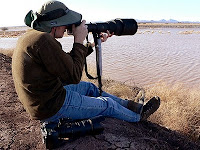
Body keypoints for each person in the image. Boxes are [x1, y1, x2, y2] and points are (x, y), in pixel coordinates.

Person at [12, 0, 160, 124]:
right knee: (107, 104)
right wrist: (78, 40)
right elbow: (74, 76)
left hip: (45, 98)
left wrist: (90, 45)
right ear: (55, 24)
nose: (67, 28)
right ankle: (138, 118)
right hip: (51, 107)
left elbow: (65, 64)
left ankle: (132, 106)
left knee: (90, 88)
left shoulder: (34, 37)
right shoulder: (43, 40)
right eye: (65, 24)